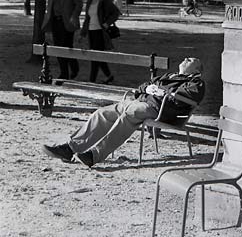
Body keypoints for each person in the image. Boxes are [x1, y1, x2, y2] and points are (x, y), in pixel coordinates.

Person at [43, 57, 205, 168]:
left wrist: (163, 92)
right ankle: (70, 148)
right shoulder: (169, 75)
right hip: (141, 102)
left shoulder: (196, 82)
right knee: (102, 113)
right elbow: (143, 86)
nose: (185, 59)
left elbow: (188, 98)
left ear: (196, 70)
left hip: (159, 110)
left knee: (128, 116)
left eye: (190, 60)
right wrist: (148, 88)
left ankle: (94, 155)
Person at [42, 0, 83, 80]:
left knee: (67, 46)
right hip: (56, 22)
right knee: (58, 47)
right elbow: (49, 6)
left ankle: (74, 67)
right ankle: (64, 73)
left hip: (67, 21)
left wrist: (74, 16)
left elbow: (79, 3)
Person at [79, 0, 120, 84]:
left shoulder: (104, 1)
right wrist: (82, 33)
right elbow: (87, 19)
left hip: (100, 32)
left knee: (95, 56)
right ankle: (109, 76)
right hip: (91, 32)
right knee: (97, 56)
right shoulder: (89, 2)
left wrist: (107, 23)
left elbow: (116, 13)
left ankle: (92, 80)